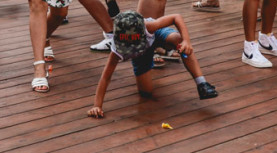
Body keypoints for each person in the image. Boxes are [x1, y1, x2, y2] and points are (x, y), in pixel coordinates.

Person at [87, 10, 217, 119]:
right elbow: (106, 77)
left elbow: (176, 17)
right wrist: (97, 106)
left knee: (178, 40)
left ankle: (202, 84)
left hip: (155, 35)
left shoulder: (149, 26)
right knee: (146, 92)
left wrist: (187, 41)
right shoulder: (116, 49)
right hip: (142, 53)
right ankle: (154, 55)